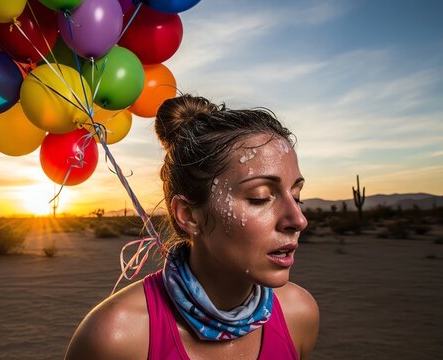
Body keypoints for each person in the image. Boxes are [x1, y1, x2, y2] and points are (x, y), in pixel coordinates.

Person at [65, 94, 319, 359]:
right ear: (188, 215)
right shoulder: (116, 337)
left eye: (296, 196)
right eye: (259, 197)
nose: (298, 220)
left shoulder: (299, 315)